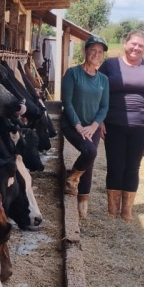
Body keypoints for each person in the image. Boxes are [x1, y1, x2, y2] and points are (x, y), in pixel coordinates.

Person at [99, 30, 144, 221]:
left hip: (142, 127)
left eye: (140, 45)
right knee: (115, 166)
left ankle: (126, 211)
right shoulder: (110, 65)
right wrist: (100, 119)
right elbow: (98, 90)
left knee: (132, 167)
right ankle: (112, 210)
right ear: (125, 43)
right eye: (133, 44)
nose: (136, 48)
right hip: (113, 124)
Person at [62, 35, 110, 218]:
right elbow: (67, 102)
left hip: (92, 127)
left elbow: (104, 107)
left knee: (89, 161)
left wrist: (94, 126)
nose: (96, 54)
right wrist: (78, 125)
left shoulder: (103, 80)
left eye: (100, 52)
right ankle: (71, 181)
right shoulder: (72, 73)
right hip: (72, 124)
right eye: (93, 50)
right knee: (89, 151)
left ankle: (82, 207)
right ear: (84, 51)